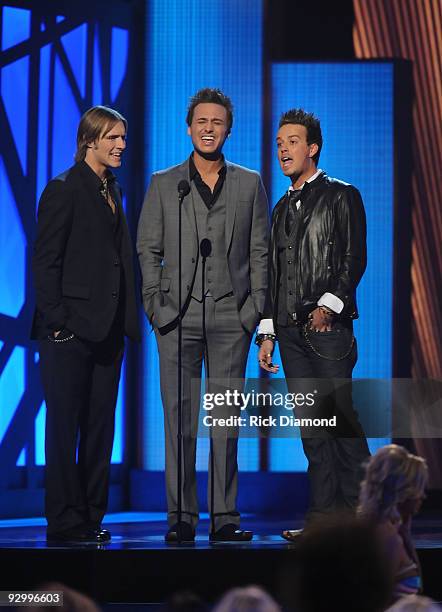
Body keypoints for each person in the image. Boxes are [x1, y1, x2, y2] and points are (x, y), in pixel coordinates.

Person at [137, 88, 268, 542]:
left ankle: (225, 517)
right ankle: (180, 517)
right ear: (188, 128)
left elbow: (260, 252)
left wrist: (252, 313)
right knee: (178, 420)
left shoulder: (249, 184)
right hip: (176, 317)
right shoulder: (164, 182)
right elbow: (147, 248)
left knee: (225, 421)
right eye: (201, 122)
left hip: (232, 317)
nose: (208, 128)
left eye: (217, 122)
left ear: (228, 129)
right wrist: (155, 306)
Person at [257, 108, 370, 538]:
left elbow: (352, 259)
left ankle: (366, 516)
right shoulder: (281, 206)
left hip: (327, 330)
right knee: (313, 431)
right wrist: (267, 332)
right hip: (288, 332)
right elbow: (272, 274)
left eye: (292, 141)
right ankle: (324, 523)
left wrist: (329, 305)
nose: (283, 148)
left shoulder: (342, 194)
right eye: (280, 142)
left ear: (313, 147)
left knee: (340, 420)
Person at [31, 106, 139, 543]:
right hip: (69, 332)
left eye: (123, 138)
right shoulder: (64, 188)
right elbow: (45, 262)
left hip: (108, 331)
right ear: (90, 140)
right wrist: (59, 322)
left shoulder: (111, 189)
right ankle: (64, 519)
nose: (120, 146)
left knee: (100, 428)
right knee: (63, 428)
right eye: (112, 137)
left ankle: (91, 514)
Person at [358, 444, 429, 601]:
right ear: (403, 491)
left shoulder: (392, 529)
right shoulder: (385, 536)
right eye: (419, 489)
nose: (423, 496)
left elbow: (417, 589)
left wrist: (405, 532)